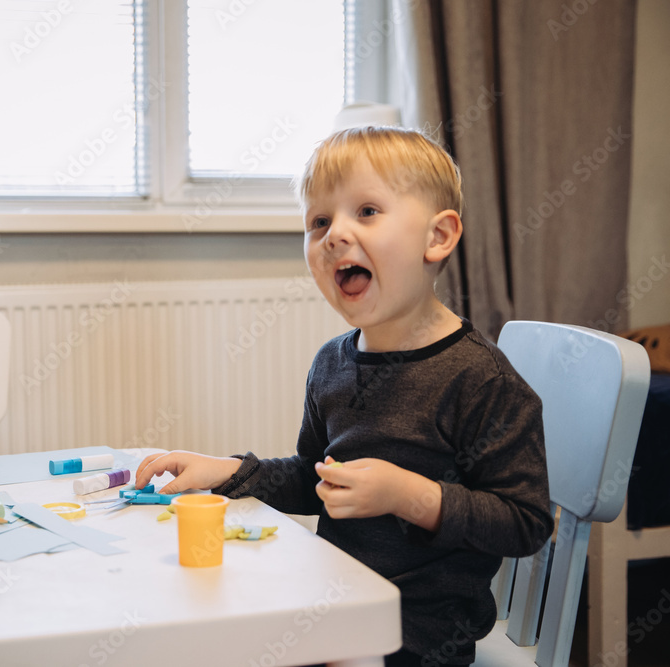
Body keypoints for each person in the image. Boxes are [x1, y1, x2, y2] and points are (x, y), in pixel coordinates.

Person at [135, 126, 554, 666]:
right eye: (319, 221)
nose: (335, 234)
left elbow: (525, 522)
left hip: (417, 633)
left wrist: (408, 495)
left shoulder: (481, 381)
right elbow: (316, 479)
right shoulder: (332, 363)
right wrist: (228, 471)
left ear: (438, 237)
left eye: (367, 212)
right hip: (334, 603)